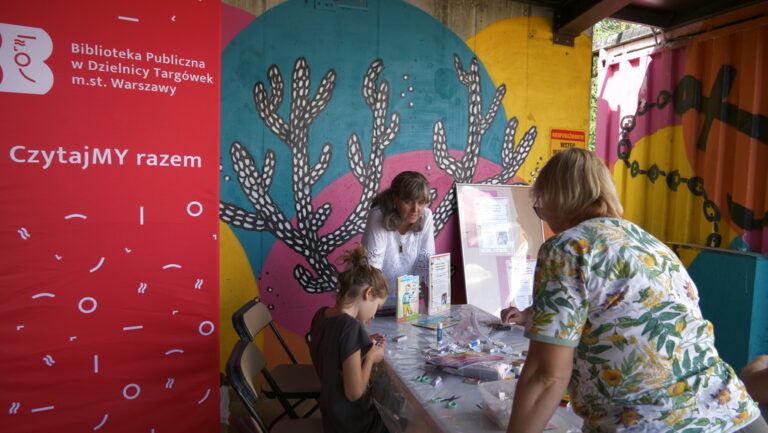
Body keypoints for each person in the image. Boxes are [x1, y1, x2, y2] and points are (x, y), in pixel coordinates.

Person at [501, 148, 766, 433]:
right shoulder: (651, 244)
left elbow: (546, 375)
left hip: (656, 424)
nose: (541, 216)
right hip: (736, 415)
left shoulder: (568, 246)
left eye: (537, 206)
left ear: (554, 199)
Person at [309, 245, 389, 433]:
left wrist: (363, 341)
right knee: (408, 423)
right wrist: (370, 358)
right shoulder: (351, 327)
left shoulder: (322, 315)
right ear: (368, 293)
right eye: (377, 307)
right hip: (352, 424)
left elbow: (333, 349)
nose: (374, 316)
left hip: (331, 417)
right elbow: (354, 393)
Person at [362, 171, 435, 306]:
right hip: (370, 296)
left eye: (421, 202)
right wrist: (373, 310)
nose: (416, 209)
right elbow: (371, 270)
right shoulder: (378, 215)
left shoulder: (426, 216)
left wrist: (433, 312)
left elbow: (427, 266)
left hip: (406, 301)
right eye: (408, 201)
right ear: (395, 199)